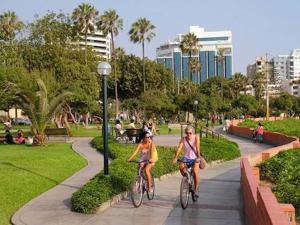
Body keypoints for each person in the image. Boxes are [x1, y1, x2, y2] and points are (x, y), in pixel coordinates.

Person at [172, 126, 200, 197]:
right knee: (181, 167)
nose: (189, 135)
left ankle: (196, 189)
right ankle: (187, 179)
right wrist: (175, 157)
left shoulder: (196, 137)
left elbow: (198, 148)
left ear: (192, 132)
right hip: (187, 158)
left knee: (195, 172)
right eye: (187, 133)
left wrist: (198, 157)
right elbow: (179, 148)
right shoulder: (183, 139)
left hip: (195, 158)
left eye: (190, 133)